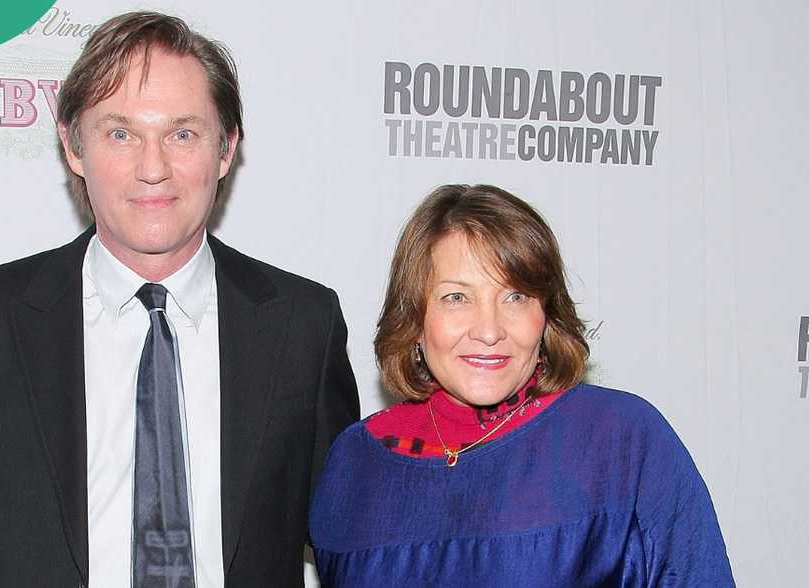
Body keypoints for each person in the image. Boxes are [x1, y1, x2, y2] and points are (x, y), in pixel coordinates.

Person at [0, 11, 359, 588]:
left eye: (182, 133)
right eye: (121, 133)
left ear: (226, 150)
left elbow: (349, 551)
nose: (153, 169)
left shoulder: (304, 325)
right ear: (74, 145)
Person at [309, 184, 733, 587]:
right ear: (415, 318)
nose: (490, 330)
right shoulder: (355, 463)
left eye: (516, 297)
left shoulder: (621, 441)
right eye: (457, 297)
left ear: (546, 315)